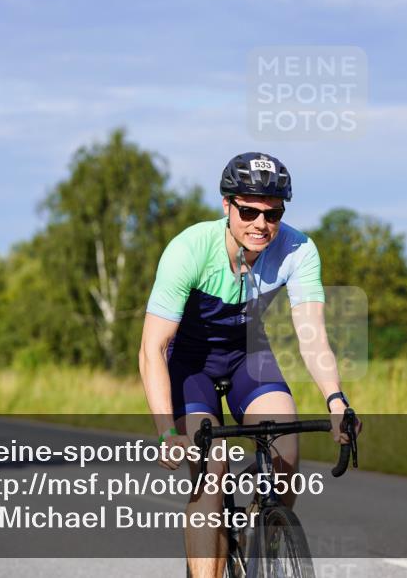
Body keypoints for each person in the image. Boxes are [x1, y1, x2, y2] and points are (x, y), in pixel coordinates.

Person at [138, 152, 359, 578]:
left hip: (248, 358)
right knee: (211, 469)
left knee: (287, 454)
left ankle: (267, 543)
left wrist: (336, 402)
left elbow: (311, 334)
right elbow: (152, 348)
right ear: (227, 206)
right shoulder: (190, 249)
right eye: (249, 211)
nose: (261, 224)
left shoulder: (299, 249)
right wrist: (166, 430)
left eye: (272, 213)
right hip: (191, 364)